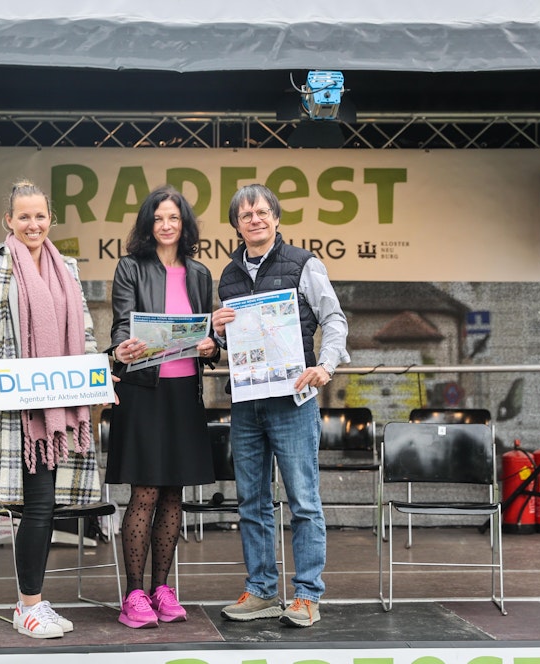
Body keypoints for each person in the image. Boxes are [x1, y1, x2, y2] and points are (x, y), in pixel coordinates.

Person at [0, 179, 103, 639]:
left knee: (46, 507)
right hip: (16, 412)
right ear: (9, 220)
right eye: (24, 216)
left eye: (40, 216)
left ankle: (33, 600)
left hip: (61, 410)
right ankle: (28, 607)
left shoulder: (67, 268)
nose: (33, 224)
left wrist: (97, 375)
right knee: (39, 506)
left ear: (50, 219)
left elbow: (85, 333)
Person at [211, 183, 349, 628]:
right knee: (251, 502)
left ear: (276, 217)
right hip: (247, 403)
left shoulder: (304, 264)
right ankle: (262, 591)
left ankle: (307, 595)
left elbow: (333, 319)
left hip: (294, 400)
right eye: (245, 215)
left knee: (303, 501)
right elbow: (228, 343)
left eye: (262, 212)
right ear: (236, 225)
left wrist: (326, 366)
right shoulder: (228, 276)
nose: (255, 219)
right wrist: (216, 331)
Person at [106, 185, 219, 629]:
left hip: (184, 392)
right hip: (143, 392)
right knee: (146, 493)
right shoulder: (130, 267)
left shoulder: (200, 273)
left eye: (173, 217)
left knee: (174, 493)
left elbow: (208, 334)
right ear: (147, 224)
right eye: (158, 218)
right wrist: (121, 348)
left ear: (184, 223)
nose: (166, 225)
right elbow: (121, 324)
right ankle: (133, 594)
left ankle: (162, 589)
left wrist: (212, 345)